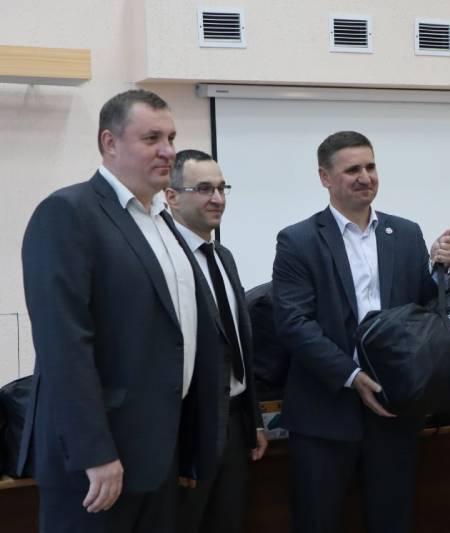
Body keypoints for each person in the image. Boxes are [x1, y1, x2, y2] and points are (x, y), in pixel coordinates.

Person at [271, 130, 450, 533]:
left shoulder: (405, 233)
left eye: (370, 166)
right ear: (325, 177)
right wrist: (352, 376)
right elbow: (294, 323)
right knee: (317, 521)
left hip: (393, 408)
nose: (365, 177)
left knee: (392, 519)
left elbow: (424, 313)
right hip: (325, 411)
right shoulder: (298, 240)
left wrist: (448, 270)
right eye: (352, 169)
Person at [20, 89, 200, 532]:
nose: (168, 151)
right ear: (110, 143)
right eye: (152, 138)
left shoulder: (163, 221)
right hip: (99, 462)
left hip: (159, 453)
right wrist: (95, 452)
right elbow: (64, 344)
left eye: (172, 138)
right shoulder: (68, 213)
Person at [165, 150, 268, 533]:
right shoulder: (164, 261)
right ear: (172, 197)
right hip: (188, 431)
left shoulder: (222, 256)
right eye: (204, 189)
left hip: (235, 423)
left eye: (223, 188)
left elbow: (239, 344)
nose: (218, 198)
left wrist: (254, 420)